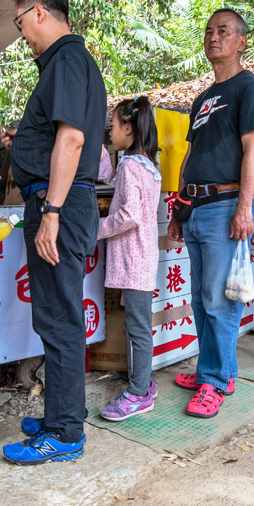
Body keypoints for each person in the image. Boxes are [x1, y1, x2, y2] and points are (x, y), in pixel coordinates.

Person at [0, 0, 106, 460]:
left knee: (60, 319)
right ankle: (64, 413)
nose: (21, 33)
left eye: (20, 21)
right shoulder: (66, 65)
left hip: (58, 203)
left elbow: (72, 140)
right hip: (54, 200)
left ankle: (64, 435)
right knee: (55, 316)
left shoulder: (65, 60)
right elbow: (56, 136)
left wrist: (53, 212)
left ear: (39, 11)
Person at [167, 10, 254, 416]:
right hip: (195, 207)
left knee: (219, 299)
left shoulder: (248, 88)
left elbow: (253, 149)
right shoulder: (203, 98)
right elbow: (191, 154)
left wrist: (245, 206)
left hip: (226, 206)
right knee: (201, 297)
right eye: (208, 31)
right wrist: (178, 208)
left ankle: (216, 381)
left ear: (241, 41)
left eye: (222, 31)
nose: (213, 37)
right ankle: (216, 367)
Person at [96, 97, 162, 420]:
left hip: (134, 261)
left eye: (114, 124)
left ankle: (138, 393)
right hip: (144, 257)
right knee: (139, 325)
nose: (110, 129)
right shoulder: (149, 167)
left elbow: (128, 214)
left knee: (137, 328)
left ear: (129, 129)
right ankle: (144, 384)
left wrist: (98, 227)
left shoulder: (129, 166)